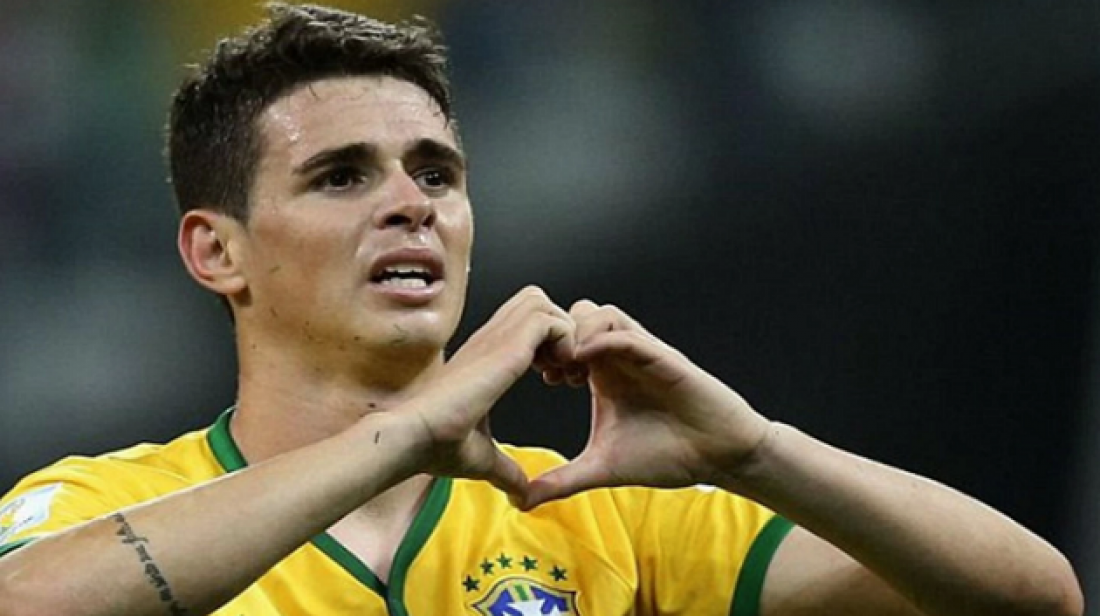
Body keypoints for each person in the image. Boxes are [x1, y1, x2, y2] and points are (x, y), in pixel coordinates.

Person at [0, 4, 1083, 615]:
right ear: (216, 250)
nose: (410, 205)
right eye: (341, 176)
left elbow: (1032, 597)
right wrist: (395, 439)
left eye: (436, 173)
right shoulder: (109, 501)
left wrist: (756, 451)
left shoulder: (595, 516)